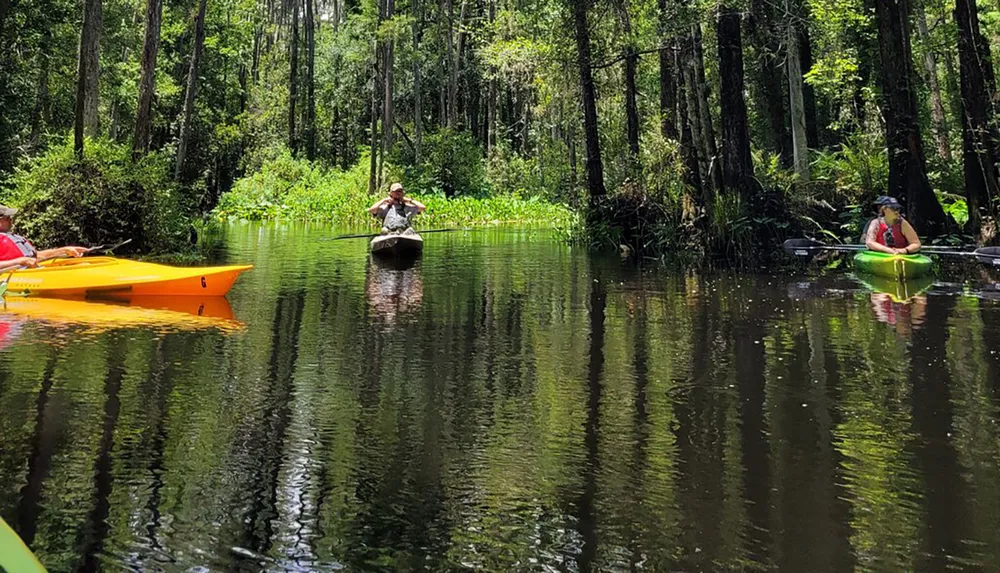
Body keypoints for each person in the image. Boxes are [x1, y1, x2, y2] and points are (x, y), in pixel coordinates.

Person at [0, 205, 87, 268]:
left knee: (84, 265)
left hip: (30, 271)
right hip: (15, 276)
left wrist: (64, 250)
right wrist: (20, 261)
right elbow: (26, 260)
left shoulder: (12, 236)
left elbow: (35, 257)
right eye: (7, 218)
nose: (11, 220)